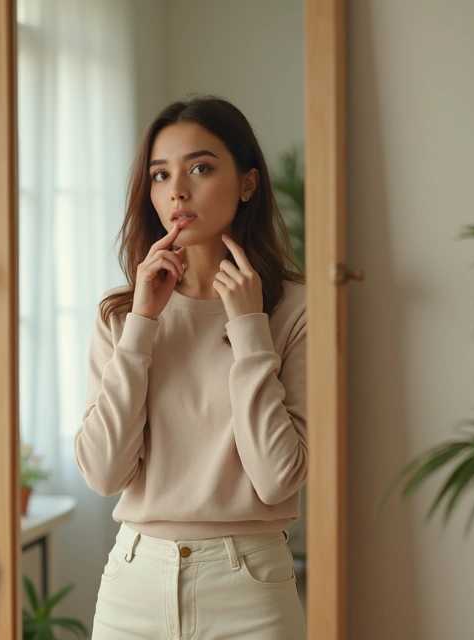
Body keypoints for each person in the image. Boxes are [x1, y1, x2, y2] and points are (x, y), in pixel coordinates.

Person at [77, 96, 308, 638]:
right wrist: (142, 326)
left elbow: (277, 480)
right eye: (160, 175)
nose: (177, 189)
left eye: (200, 168)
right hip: (132, 584)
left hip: (249, 587)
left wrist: (250, 330)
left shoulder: (296, 310)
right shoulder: (120, 314)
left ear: (248, 183)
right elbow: (103, 473)